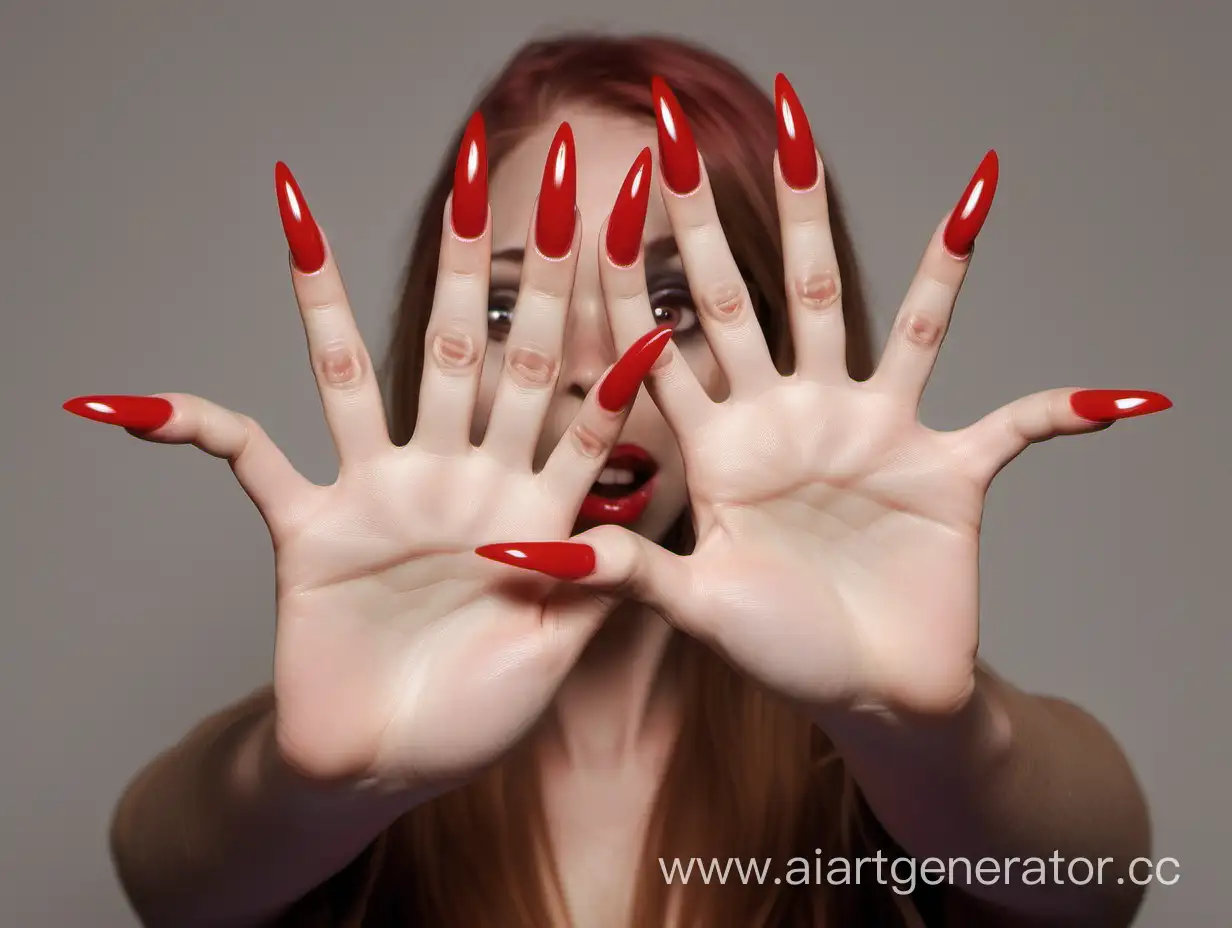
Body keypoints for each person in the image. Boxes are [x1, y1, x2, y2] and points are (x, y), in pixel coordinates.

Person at [65, 33, 1168, 928]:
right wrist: (310, 782)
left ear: (783, 351)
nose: (590, 373)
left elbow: (1102, 879)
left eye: (671, 304)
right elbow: (165, 875)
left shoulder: (872, 762)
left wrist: (920, 729)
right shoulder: (361, 722)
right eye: (510, 311)